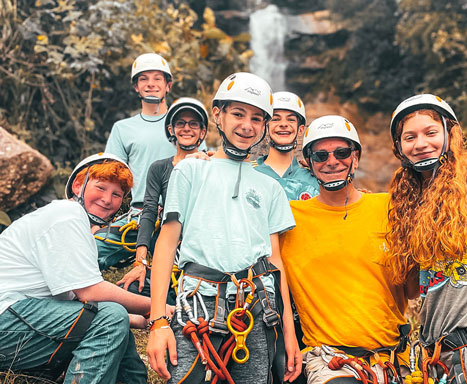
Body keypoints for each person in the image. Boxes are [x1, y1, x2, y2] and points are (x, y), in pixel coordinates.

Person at [146, 72, 302, 384]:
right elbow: (166, 243)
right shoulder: (190, 170)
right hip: (199, 303)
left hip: (257, 306)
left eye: (257, 118)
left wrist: (289, 334)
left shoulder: (269, 187)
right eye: (238, 113)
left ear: (265, 126)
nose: (247, 125)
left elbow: (275, 261)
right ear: (218, 114)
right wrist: (158, 322)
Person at [0, 153, 171, 383]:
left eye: (116, 194)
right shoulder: (66, 216)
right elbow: (91, 293)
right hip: (7, 322)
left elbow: (82, 307)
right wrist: (156, 307)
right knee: (111, 317)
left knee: (115, 321)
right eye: (100, 188)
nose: (107, 199)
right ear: (78, 185)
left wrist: (145, 320)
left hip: (21, 320)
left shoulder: (77, 225)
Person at [279, 115, 416, 384]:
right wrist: (203, 160)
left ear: (356, 157)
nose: (332, 161)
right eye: (320, 155)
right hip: (329, 359)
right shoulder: (288, 217)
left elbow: (412, 288)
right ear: (308, 161)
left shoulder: (389, 208)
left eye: (341, 152)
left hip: (390, 358)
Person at [386, 94, 467, 384]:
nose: (420, 144)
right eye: (409, 137)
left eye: (431, 132)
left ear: (450, 131)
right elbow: (413, 290)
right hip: (441, 364)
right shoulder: (412, 198)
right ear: (399, 147)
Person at [116, 97, 209, 302]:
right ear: (171, 130)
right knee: (132, 289)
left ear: (202, 132)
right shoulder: (159, 168)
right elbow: (149, 211)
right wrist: (140, 263)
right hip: (170, 251)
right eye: (180, 123)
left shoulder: (211, 166)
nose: (186, 128)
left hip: (203, 254)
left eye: (193, 124)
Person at [252, 91, 319, 201]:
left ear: (301, 130)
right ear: (265, 127)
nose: (283, 124)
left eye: (291, 119)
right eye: (276, 119)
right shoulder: (248, 172)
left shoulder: (314, 179)